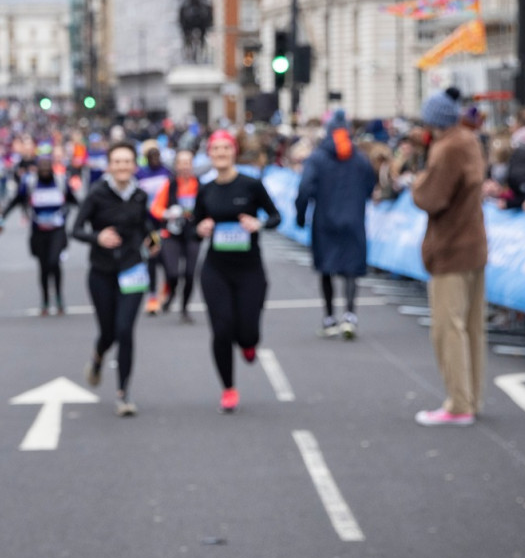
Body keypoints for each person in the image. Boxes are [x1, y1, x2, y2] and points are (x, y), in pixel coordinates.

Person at [409, 88, 489, 427]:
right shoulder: (470, 141)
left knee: (448, 328)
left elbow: (430, 197)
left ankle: (458, 404)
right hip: (473, 243)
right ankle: (470, 397)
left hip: (451, 245)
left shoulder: (447, 148)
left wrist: (418, 181)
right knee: (471, 327)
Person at [194, 130, 281, 413]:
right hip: (215, 269)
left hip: (249, 270)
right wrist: (200, 229)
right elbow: (193, 228)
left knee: (247, 333)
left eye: (225, 148)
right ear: (209, 154)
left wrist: (260, 224)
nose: (220, 153)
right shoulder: (205, 189)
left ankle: (248, 343)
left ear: (234, 152)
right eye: (215, 149)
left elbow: (276, 216)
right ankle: (228, 388)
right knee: (221, 329)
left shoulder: (251, 185)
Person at [71, 143, 156, 416]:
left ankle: (123, 394)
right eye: (117, 162)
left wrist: (152, 239)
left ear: (134, 165)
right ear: (109, 165)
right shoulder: (97, 194)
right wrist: (98, 237)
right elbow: (76, 229)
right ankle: (97, 359)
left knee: (124, 331)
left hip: (132, 269)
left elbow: (146, 226)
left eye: (127, 161)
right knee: (108, 333)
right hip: (101, 272)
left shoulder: (140, 195)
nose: (122, 166)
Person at [295, 112, 377, 339]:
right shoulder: (359, 158)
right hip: (353, 221)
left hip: (324, 221)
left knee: (326, 269)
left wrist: (300, 216)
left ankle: (329, 318)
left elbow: (304, 189)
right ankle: (350, 315)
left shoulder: (317, 158)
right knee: (351, 269)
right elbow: (371, 185)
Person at [2, 154, 79, 315]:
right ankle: (45, 300)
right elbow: (16, 200)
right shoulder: (29, 183)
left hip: (57, 231)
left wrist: (86, 215)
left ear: (51, 168)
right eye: (41, 167)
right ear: (37, 169)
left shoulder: (60, 181)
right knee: (43, 267)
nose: (44, 170)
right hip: (38, 232)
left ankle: (58, 297)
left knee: (54, 262)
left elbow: (74, 200)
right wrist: (2, 216)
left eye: (47, 167)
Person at [149, 149, 201, 324]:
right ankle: (170, 294)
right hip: (171, 234)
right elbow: (155, 208)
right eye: (182, 163)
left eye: (188, 162)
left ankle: (184, 309)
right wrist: (167, 213)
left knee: (189, 273)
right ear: (176, 165)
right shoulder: (169, 185)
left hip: (192, 234)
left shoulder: (200, 185)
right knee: (172, 273)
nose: (185, 166)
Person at [135, 144, 171, 315]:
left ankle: (167, 286)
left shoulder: (167, 172)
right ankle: (152, 296)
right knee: (152, 258)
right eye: (152, 156)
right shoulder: (140, 174)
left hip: (166, 223)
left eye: (158, 156)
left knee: (168, 260)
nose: (155, 159)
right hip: (150, 224)